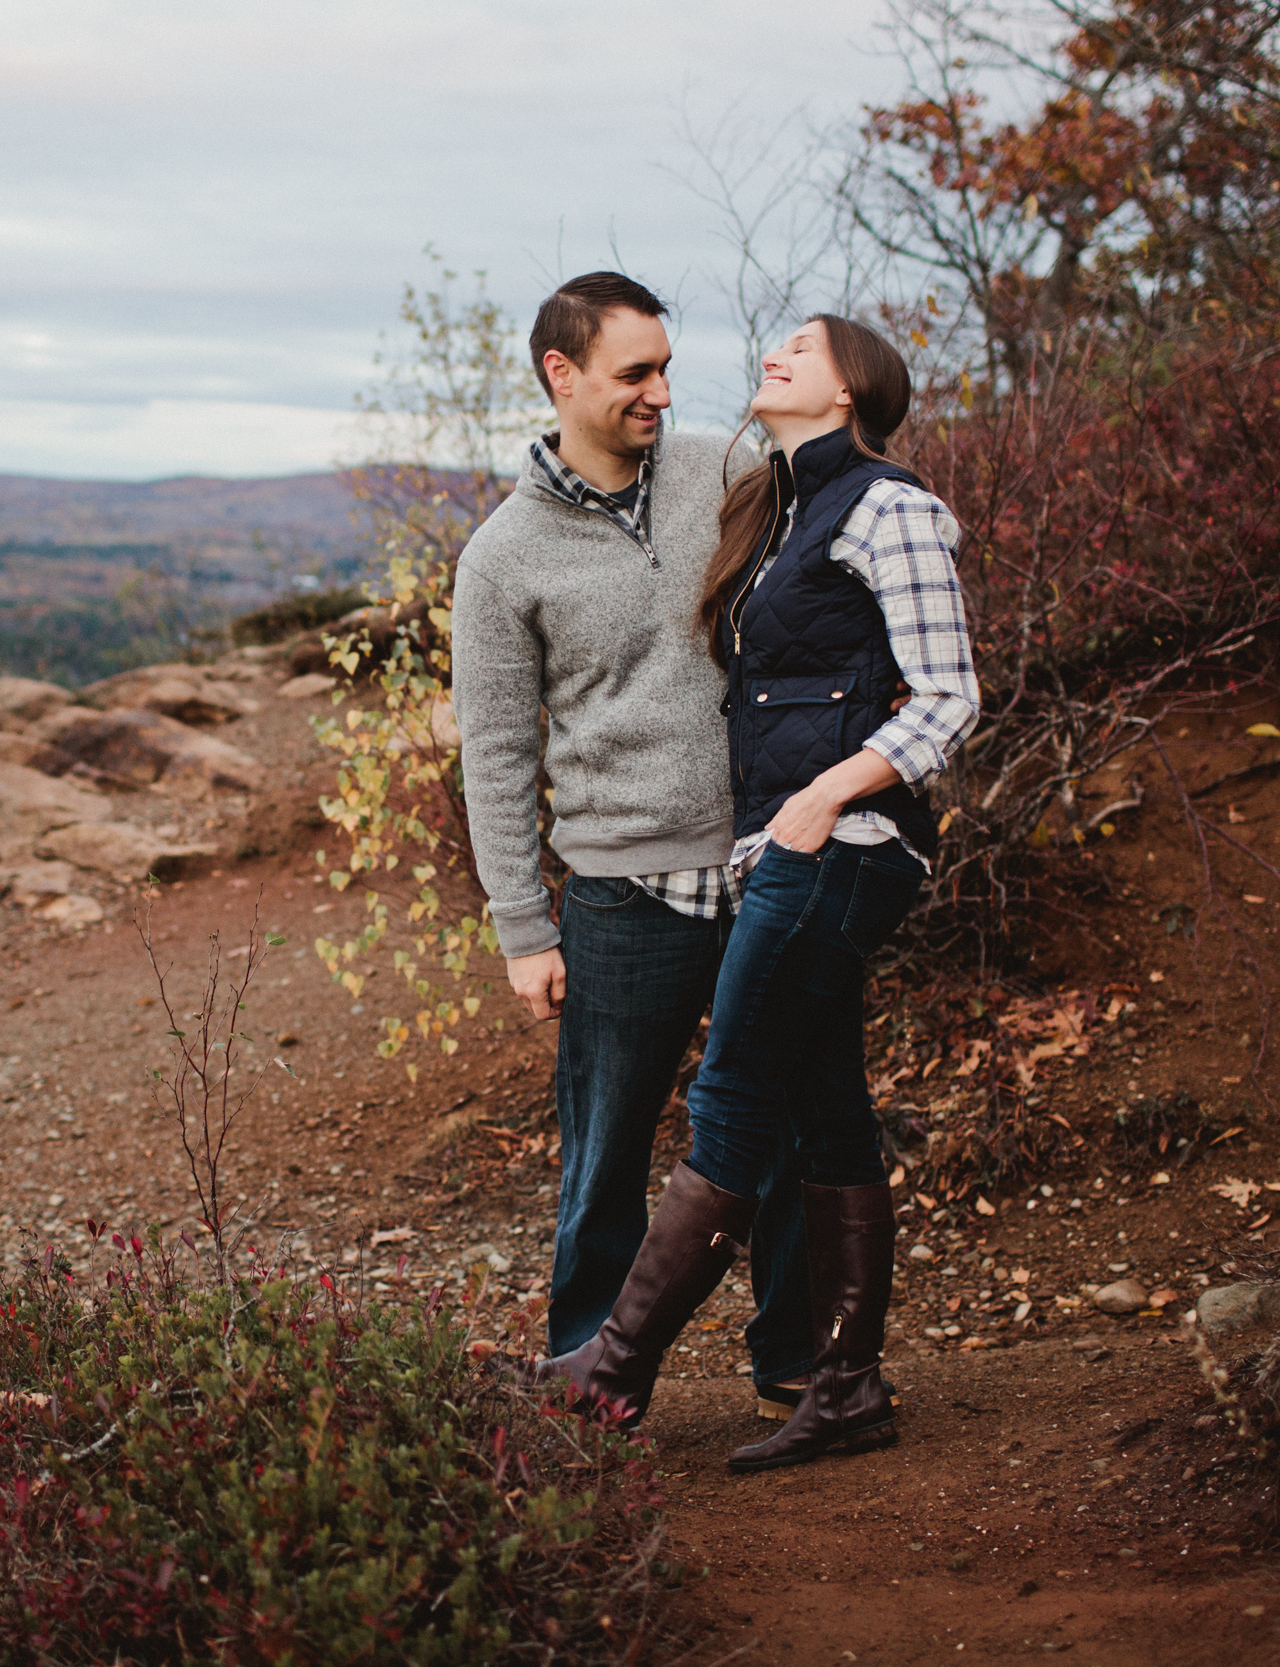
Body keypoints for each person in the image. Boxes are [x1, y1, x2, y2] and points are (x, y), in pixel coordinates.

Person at [534, 313, 980, 1474]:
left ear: (849, 391)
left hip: (848, 842)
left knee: (732, 1085)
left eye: (801, 346)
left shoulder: (890, 507)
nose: (771, 355)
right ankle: (845, 1386)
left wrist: (825, 794)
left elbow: (946, 697)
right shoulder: (775, 508)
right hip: (785, 850)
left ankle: (610, 1367)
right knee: (826, 1105)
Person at [452, 271, 819, 1428]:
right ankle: (589, 1380)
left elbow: (837, 557)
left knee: (794, 1126)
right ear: (561, 375)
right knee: (606, 1149)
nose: (662, 390)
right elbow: (498, 753)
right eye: (635, 373)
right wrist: (522, 924)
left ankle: (799, 1365)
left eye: (667, 366)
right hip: (621, 893)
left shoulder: (725, 473)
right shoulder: (501, 558)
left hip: (767, 867)